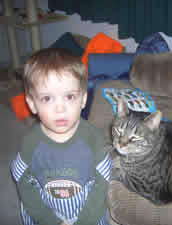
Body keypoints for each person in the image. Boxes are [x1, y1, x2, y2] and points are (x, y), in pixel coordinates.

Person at [10, 48, 112, 225]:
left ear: (83, 99)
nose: (60, 108)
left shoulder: (94, 139)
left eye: (70, 96)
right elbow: (24, 183)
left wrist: (85, 221)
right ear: (32, 104)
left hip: (88, 214)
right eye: (47, 98)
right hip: (45, 214)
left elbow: (103, 184)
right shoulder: (30, 143)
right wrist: (49, 220)